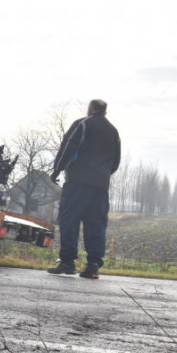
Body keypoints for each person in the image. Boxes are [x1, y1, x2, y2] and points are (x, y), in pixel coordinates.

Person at [47, 99, 121, 279]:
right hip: (100, 188)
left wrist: (57, 169)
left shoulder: (83, 124)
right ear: (105, 111)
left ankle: (67, 263)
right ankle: (93, 266)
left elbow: (68, 146)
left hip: (78, 183)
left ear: (90, 109)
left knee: (69, 220)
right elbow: (116, 161)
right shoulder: (113, 131)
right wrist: (102, 176)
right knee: (96, 225)